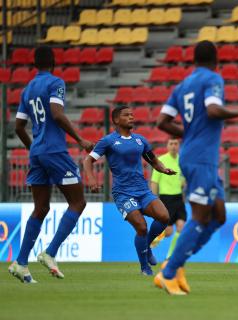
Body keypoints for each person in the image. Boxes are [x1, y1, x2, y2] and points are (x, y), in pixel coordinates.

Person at [155, 40, 238, 295]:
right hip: (200, 159)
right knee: (200, 217)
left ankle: (174, 264)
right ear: (216, 59)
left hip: (200, 157)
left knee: (219, 216)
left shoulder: (182, 85)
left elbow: (162, 121)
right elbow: (212, 110)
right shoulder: (213, 79)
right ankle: (167, 273)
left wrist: (188, 134)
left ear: (194, 60)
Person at [8, 46, 94, 283]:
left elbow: (18, 127)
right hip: (55, 150)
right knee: (78, 201)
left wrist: (34, 148)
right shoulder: (56, 82)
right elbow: (56, 113)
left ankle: (21, 263)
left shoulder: (27, 90)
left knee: (41, 208)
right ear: (54, 62)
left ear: (35, 64)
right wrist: (80, 139)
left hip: (37, 152)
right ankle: (50, 252)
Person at [83, 106, 176, 275]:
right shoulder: (108, 141)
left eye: (132, 114)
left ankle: (146, 246)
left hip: (143, 191)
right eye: (126, 115)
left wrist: (164, 169)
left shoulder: (140, 140)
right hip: (123, 193)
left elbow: (153, 160)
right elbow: (87, 161)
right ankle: (144, 268)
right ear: (116, 120)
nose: (131, 117)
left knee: (164, 217)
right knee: (141, 226)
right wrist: (91, 180)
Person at [150, 137, 187, 260]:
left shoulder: (182, 161)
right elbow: (154, 182)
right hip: (166, 199)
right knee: (169, 231)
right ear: (167, 146)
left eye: (176, 144)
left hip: (178, 198)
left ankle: (170, 256)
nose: (173, 146)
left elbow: (183, 180)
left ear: (179, 146)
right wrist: (154, 200)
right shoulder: (161, 160)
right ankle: (154, 238)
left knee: (181, 226)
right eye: (171, 143)